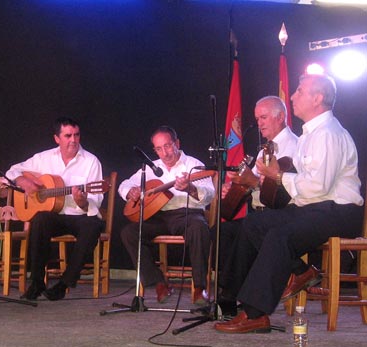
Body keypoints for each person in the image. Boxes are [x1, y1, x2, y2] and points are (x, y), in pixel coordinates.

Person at [215, 74, 364, 334]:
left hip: (339, 210)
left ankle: (256, 314)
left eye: (299, 91)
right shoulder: (310, 134)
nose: (292, 96)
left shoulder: (328, 133)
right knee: (253, 224)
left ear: (317, 98)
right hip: (315, 206)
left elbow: (318, 187)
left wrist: (278, 176)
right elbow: (306, 190)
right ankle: (233, 300)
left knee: (279, 235)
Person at [6, 117, 104, 301]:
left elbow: (96, 200)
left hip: (80, 216)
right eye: (68, 136)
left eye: (76, 135)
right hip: (55, 215)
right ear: (57, 138)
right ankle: (36, 282)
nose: (73, 140)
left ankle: (64, 283)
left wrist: (82, 201)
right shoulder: (43, 158)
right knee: (39, 219)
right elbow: (12, 171)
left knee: (93, 226)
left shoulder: (91, 161)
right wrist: (23, 181)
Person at [119, 126, 215, 304]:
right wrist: (130, 191)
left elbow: (210, 193)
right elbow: (123, 184)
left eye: (168, 146)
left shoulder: (194, 165)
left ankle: (200, 288)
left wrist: (191, 188)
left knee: (199, 228)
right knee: (129, 232)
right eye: (159, 148)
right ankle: (159, 284)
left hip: (187, 214)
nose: (165, 152)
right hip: (159, 216)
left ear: (177, 143)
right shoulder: (151, 168)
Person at [215, 96, 298, 279]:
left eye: (264, 117)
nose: (259, 124)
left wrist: (253, 182)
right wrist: (236, 185)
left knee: (247, 229)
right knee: (220, 232)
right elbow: (250, 183)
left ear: (280, 116)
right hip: (258, 214)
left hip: (281, 215)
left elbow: (284, 193)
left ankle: (232, 295)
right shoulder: (263, 150)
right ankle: (227, 292)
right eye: (257, 119)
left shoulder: (295, 147)